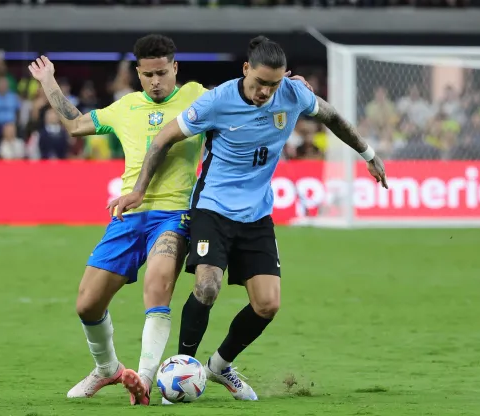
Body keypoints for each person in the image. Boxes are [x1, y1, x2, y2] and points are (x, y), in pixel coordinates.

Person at [28, 34, 314, 406]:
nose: (156, 81)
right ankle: (108, 369)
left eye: (163, 72)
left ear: (175, 69)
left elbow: (243, 92)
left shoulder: (197, 94)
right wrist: (48, 81)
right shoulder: (124, 107)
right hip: (129, 213)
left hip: (177, 213)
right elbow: (75, 125)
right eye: (148, 75)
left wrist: (288, 85)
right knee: (87, 304)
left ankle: (145, 380)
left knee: (158, 283)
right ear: (138, 73)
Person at [110, 36, 388, 403]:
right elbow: (163, 139)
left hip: (257, 215)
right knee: (208, 287)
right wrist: (140, 190)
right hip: (212, 209)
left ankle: (220, 365)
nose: (265, 92)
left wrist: (368, 154)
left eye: (273, 84)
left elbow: (332, 117)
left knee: (267, 305)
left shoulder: (293, 94)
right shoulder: (217, 100)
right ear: (245, 70)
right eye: (259, 83)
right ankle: (183, 367)